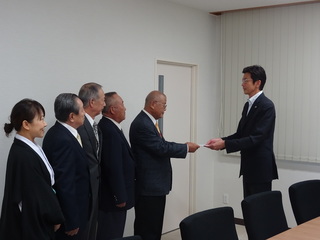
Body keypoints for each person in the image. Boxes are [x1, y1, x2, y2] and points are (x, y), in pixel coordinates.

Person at [129, 90, 200, 240]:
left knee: (154, 227)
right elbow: (161, 148)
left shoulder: (149, 122)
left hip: (155, 186)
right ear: (153, 104)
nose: (165, 109)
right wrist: (186, 148)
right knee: (148, 229)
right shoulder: (142, 123)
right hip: (149, 187)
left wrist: (184, 146)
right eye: (164, 105)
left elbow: (161, 144)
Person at [205, 65, 278, 198]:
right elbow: (240, 134)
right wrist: (222, 140)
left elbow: (256, 138)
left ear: (257, 83)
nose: (242, 84)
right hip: (249, 167)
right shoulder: (248, 105)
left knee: (259, 211)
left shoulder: (267, 106)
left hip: (260, 169)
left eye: (246, 80)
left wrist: (226, 145)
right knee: (249, 209)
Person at [0, 99, 64, 240]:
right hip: (32, 225)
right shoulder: (23, 155)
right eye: (40, 119)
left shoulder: (29, 147)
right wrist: (55, 216)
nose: (45, 123)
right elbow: (38, 195)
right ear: (26, 124)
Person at [43, 93, 90, 239]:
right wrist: (71, 220)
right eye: (82, 110)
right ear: (71, 116)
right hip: (70, 219)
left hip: (77, 210)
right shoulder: (62, 139)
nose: (84, 113)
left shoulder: (63, 133)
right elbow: (64, 183)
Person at [97, 92, 135, 240]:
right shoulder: (109, 130)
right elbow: (113, 167)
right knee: (111, 233)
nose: (125, 108)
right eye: (122, 104)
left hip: (116, 196)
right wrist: (119, 196)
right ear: (113, 109)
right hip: (112, 199)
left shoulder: (112, 127)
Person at [77, 82, 105, 240]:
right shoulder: (79, 126)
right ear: (92, 102)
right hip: (85, 193)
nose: (105, 103)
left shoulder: (95, 125)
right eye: (102, 99)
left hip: (95, 190)